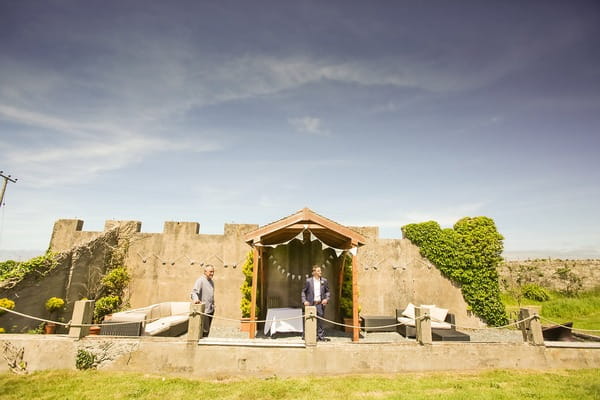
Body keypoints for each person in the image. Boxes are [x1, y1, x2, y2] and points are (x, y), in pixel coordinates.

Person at [301, 265, 331, 341]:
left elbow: (327, 292)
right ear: (314, 272)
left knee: (320, 320)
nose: (320, 272)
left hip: (320, 304)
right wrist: (304, 301)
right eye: (318, 271)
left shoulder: (324, 281)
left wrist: (326, 299)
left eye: (320, 270)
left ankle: (320, 336)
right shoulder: (308, 281)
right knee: (308, 319)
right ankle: (306, 335)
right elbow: (303, 292)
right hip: (311, 304)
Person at [190, 264, 215, 336]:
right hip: (204, 311)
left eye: (213, 272)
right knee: (204, 331)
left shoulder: (211, 282)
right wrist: (196, 300)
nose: (212, 273)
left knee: (207, 331)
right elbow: (194, 292)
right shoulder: (200, 280)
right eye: (210, 272)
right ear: (205, 272)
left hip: (210, 310)